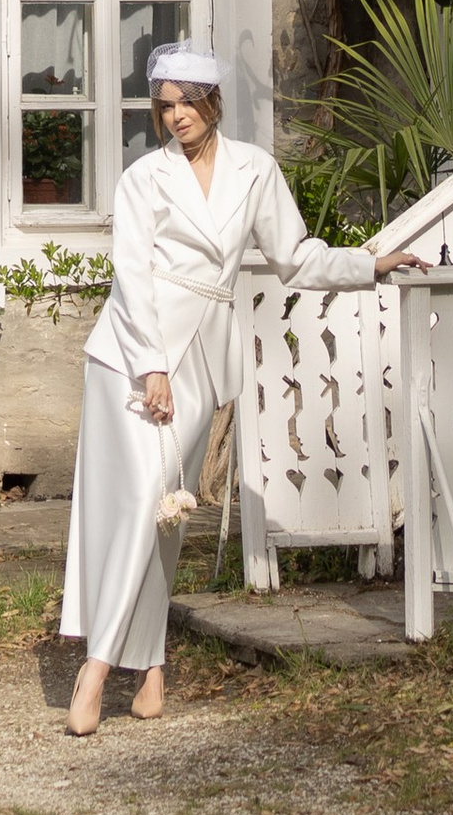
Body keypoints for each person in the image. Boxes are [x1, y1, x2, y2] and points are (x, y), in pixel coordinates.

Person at [59, 42, 426, 736]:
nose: (175, 117)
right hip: (131, 357)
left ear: (213, 101)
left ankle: (152, 668)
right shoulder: (143, 180)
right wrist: (151, 366)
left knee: (168, 512)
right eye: (164, 106)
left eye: (187, 103)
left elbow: (297, 256)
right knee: (137, 502)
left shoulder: (255, 170)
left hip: (202, 361)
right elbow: (131, 278)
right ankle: (99, 665)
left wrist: (370, 265)